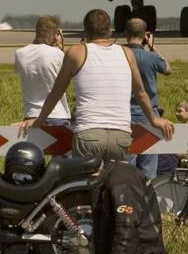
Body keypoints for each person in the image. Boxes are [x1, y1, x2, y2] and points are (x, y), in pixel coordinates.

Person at [19, 9, 174, 163]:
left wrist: (39, 120)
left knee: (85, 184)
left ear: (85, 32)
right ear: (110, 31)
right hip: (120, 135)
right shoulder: (127, 53)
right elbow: (140, 92)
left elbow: (56, 92)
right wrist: (154, 120)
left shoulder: (76, 52)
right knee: (115, 184)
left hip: (89, 133)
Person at [124, 18, 171, 180]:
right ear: (145, 35)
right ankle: (146, 201)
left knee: (127, 166)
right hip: (149, 115)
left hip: (124, 115)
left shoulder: (119, 54)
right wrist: (153, 47)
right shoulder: (150, 57)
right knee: (148, 167)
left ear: (126, 33)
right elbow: (167, 69)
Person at [14, 16, 71, 125]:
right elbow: (69, 74)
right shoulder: (57, 54)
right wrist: (61, 47)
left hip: (31, 115)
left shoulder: (19, 53)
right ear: (52, 35)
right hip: (57, 115)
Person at [156, 99, 188, 177]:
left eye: (179, 111)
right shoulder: (177, 127)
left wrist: (172, 150)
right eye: (176, 111)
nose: (176, 113)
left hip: (185, 163)